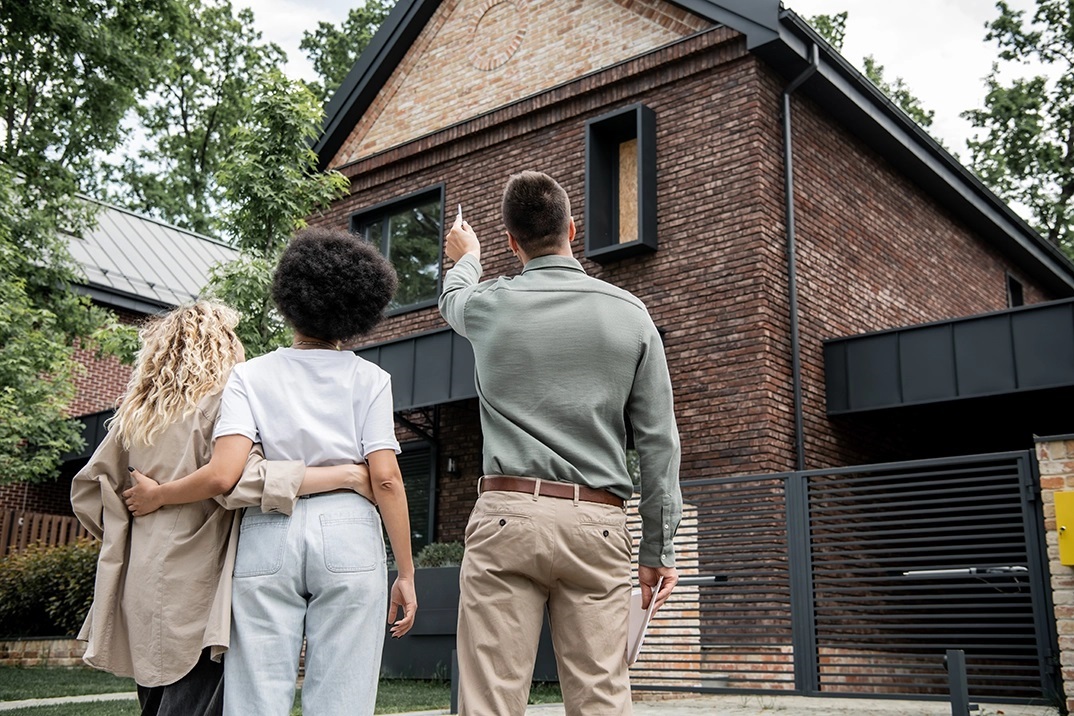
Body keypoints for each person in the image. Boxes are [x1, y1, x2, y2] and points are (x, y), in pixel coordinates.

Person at [127, 227, 418, 716]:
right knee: (342, 693)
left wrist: (159, 495)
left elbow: (224, 475)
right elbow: (386, 478)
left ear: (290, 300)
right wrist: (406, 572)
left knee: (256, 693)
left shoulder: (249, 375)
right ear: (356, 314)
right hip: (349, 530)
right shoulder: (371, 378)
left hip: (269, 526)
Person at [439, 171, 683, 715]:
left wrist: (469, 256)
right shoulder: (631, 316)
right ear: (572, 229)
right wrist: (658, 548)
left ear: (512, 242)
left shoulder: (488, 305)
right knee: (600, 697)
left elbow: (452, 298)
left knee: (489, 701)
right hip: (598, 524)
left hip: (507, 516)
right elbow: (659, 443)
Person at [71, 301, 374, 716]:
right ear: (220, 346)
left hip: (141, 577)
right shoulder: (219, 404)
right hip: (199, 579)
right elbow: (241, 479)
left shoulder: (136, 415)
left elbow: (89, 491)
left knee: (155, 699)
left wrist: (130, 524)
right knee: (196, 699)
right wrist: (347, 476)